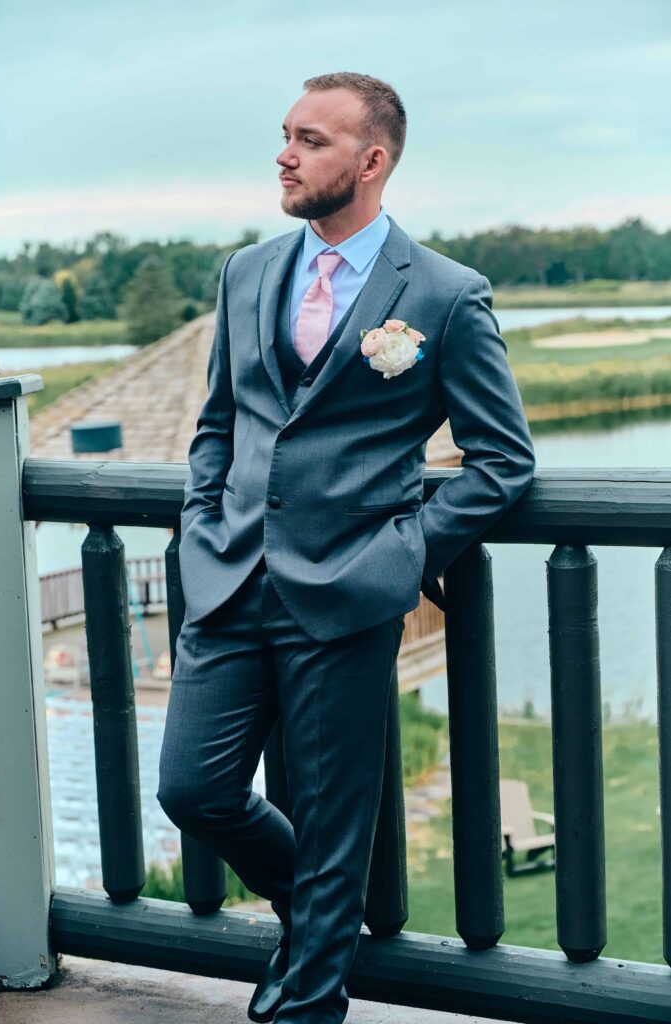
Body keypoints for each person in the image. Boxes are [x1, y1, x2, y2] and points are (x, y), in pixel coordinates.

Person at [156, 71, 536, 1024]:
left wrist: (402, 552)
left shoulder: (444, 293)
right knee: (193, 790)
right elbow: (218, 423)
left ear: (370, 162)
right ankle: (319, 921)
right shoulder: (246, 271)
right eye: (286, 135)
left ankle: (308, 1001)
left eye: (310, 141)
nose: (284, 156)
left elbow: (502, 459)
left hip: (348, 588)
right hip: (228, 578)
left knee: (334, 820)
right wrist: (204, 523)